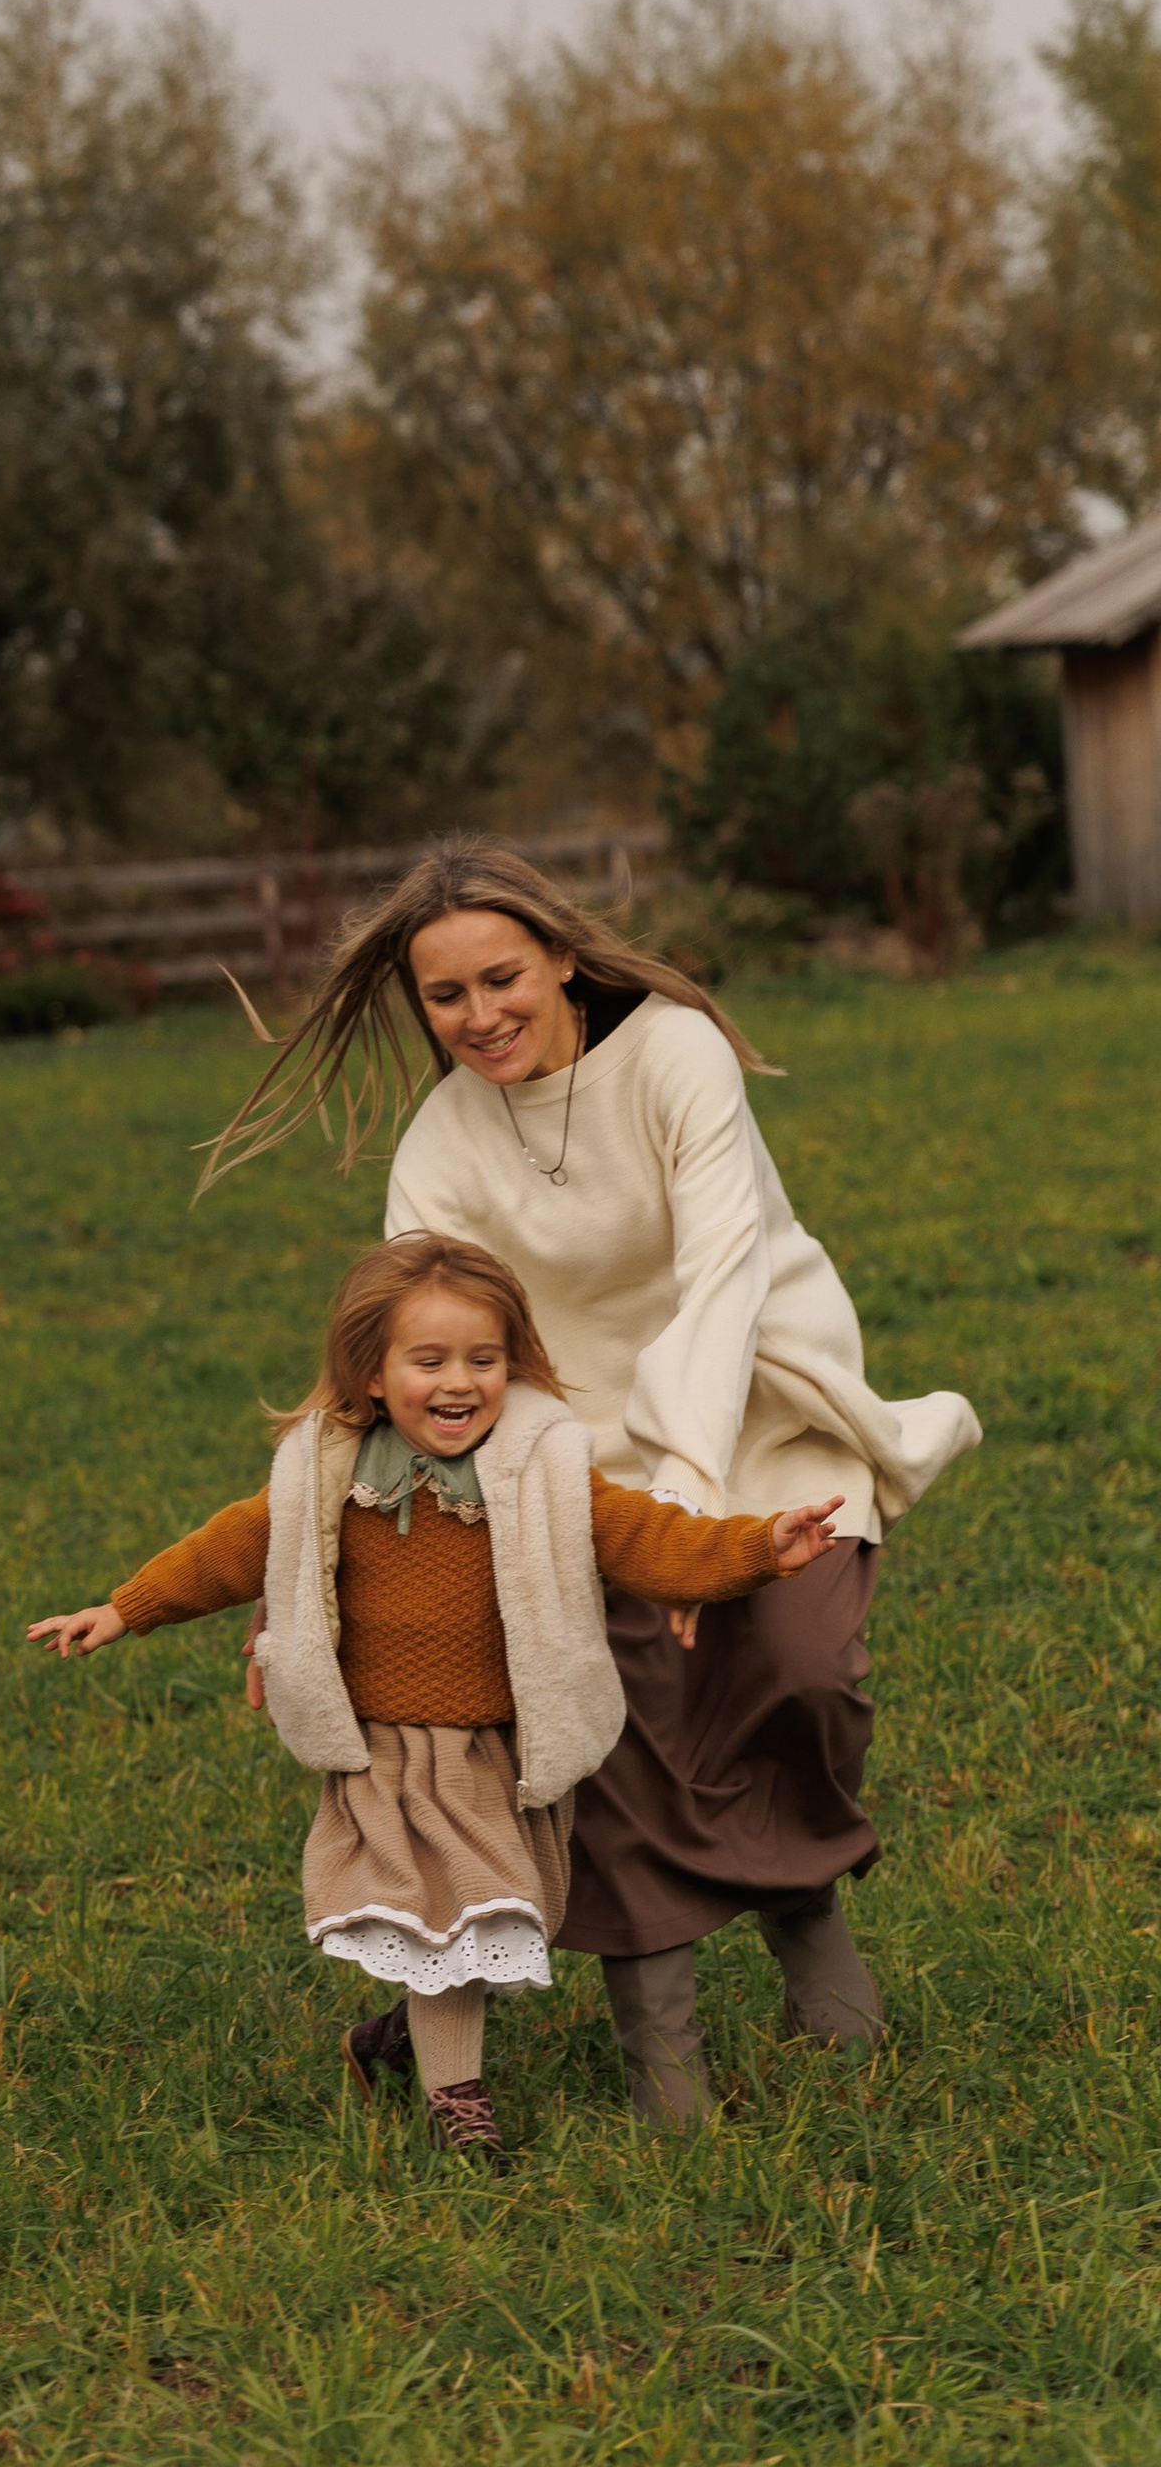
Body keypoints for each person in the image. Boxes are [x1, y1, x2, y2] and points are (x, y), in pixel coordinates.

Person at [202, 836, 980, 2128]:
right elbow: (398, 1364)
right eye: (444, 997)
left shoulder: (673, 1053)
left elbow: (724, 1274)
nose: (479, 1016)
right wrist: (299, 1584)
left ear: (562, 957)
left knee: (795, 1668)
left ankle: (804, 1908)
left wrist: (689, 1496)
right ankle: (660, 2046)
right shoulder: (441, 1145)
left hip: (763, 1410)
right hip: (572, 1462)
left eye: (502, 977)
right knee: (603, 1724)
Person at [30, 1234, 841, 2161]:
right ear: (372, 1374)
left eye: (482, 1360)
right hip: (388, 1752)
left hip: (499, 1748)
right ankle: (460, 2107)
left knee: (486, 1924)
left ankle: (390, 2041)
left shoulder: (539, 1474)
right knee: (459, 1921)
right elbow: (227, 1550)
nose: (458, 1382)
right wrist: (124, 1609)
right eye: (430, 1360)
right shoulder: (327, 1478)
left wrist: (752, 1549)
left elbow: (641, 1537)